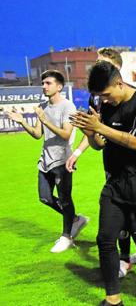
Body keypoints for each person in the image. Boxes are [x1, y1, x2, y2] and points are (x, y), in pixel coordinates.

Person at [70, 61, 136, 306]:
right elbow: (100, 144)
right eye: (99, 96)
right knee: (105, 239)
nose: (103, 100)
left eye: (106, 94)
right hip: (115, 184)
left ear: (119, 83)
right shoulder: (105, 106)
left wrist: (100, 126)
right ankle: (113, 299)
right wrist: (90, 133)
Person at [65, 47, 136, 278]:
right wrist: (78, 152)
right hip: (113, 164)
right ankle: (128, 258)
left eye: (101, 63)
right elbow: (95, 133)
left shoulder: (131, 96)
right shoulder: (99, 96)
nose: (97, 67)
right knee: (120, 213)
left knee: (134, 214)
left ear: (116, 68)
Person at [7, 70, 88, 253]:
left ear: (59, 87)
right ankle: (76, 219)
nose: (44, 86)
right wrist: (22, 122)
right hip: (45, 160)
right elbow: (37, 135)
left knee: (65, 200)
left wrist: (45, 120)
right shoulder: (42, 106)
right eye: (43, 83)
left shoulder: (68, 107)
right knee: (44, 197)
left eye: (48, 83)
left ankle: (66, 236)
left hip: (62, 161)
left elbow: (66, 134)